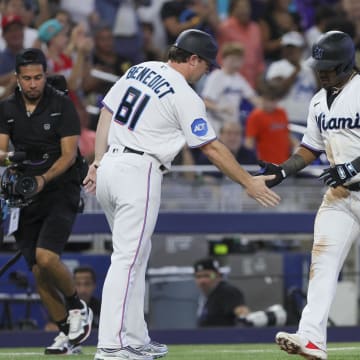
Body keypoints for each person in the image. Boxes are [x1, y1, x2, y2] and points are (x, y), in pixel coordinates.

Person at [83, 28, 280, 360]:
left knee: (135, 258)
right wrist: (248, 181)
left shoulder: (139, 68)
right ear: (192, 59)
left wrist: (98, 159)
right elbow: (212, 148)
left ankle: (135, 336)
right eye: (206, 65)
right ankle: (111, 344)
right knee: (128, 260)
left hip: (110, 165)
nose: (207, 72)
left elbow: (106, 112)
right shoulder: (184, 94)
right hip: (139, 170)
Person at [258, 31, 359, 360]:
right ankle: (312, 339)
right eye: (319, 67)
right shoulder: (318, 99)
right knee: (322, 264)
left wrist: (352, 166)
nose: (321, 72)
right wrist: (285, 169)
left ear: (346, 64)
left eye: (327, 67)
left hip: (348, 180)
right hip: (340, 196)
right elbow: (310, 147)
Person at [0, 48, 93, 355]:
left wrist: (43, 178)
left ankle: (77, 307)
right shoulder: (7, 107)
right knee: (38, 271)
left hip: (59, 189)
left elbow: (68, 156)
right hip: (24, 192)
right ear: (17, 78)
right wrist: (11, 159)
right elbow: (0, 150)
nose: (33, 84)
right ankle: (67, 334)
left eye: (38, 77)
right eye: (26, 78)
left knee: (47, 258)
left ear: (45, 75)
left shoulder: (62, 105)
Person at [201, 42, 261, 134]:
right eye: (232, 60)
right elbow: (205, 102)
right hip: (216, 125)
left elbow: (253, 98)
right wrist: (220, 108)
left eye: (238, 60)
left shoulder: (239, 79)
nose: (236, 63)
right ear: (223, 59)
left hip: (232, 126)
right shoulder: (216, 76)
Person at [244, 81, 296, 164]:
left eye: (273, 100)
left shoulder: (282, 112)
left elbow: (286, 134)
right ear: (262, 98)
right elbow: (249, 142)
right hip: (267, 164)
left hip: (285, 163)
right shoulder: (255, 116)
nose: (270, 103)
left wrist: (297, 145)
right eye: (268, 99)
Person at [193, 257, 249, 327]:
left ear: (218, 276)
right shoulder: (207, 297)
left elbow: (243, 315)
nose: (202, 281)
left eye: (207, 275)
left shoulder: (228, 292)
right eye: (198, 277)